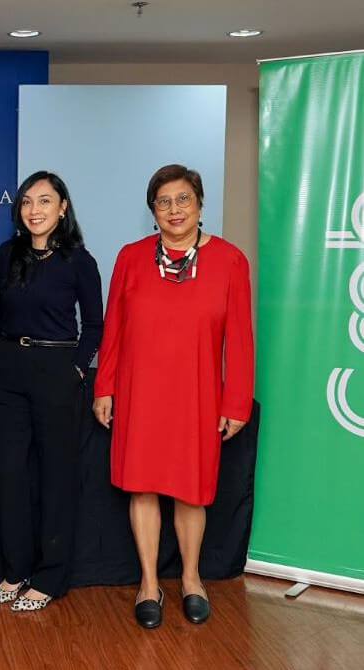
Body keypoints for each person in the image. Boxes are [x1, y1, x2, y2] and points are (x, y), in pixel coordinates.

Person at [92, 164, 253, 628]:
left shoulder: (229, 261)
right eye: (163, 202)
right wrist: (105, 386)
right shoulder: (130, 257)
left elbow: (239, 340)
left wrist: (235, 402)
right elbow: (114, 331)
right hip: (140, 393)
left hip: (197, 395)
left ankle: (191, 578)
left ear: (200, 204)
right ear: (153, 212)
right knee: (141, 486)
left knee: (190, 492)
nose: (174, 209)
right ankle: (148, 583)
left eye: (183, 199)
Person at [0, 171, 103, 611]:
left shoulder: (79, 260)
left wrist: (76, 369)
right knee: (9, 475)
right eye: (26, 203)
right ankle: (16, 570)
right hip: (9, 372)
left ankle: (50, 576)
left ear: (62, 208)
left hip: (57, 370)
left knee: (56, 477)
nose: (34, 210)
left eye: (44, 201)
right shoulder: (7, 253)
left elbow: (95, 325)